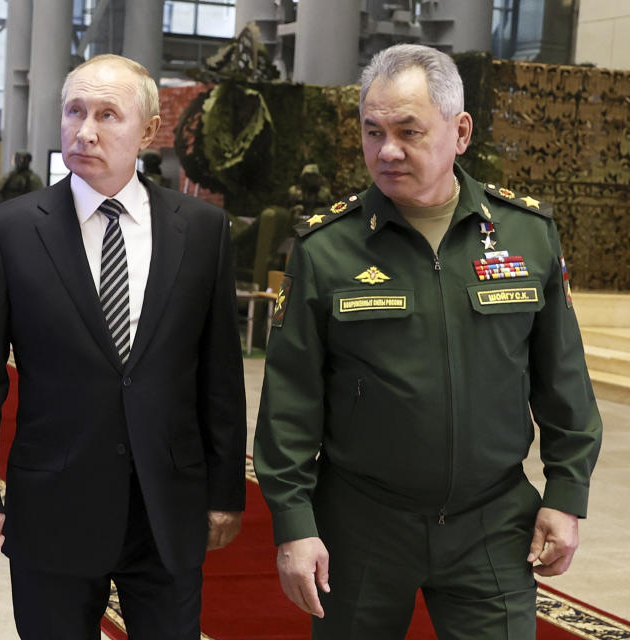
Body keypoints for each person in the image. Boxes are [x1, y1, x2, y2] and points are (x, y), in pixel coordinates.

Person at [253, 43, 602, 639]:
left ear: (460, 131)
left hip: (492, 522)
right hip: (361, 525)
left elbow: (563, 380)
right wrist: (293, 523)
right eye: (373, 132)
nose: (387, 151)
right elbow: (289, 404)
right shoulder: (326, 248)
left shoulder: (526, 234)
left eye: (409, 131)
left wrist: (566, 494)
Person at [0, 53, 247, 639]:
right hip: (54, 506)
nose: (85, 130)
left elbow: (219, 374)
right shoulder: (10, 231)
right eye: (75, 111)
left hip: (167, 508)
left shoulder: (202, 230)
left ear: (148, 130)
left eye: (108, 114)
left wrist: (225, 490)